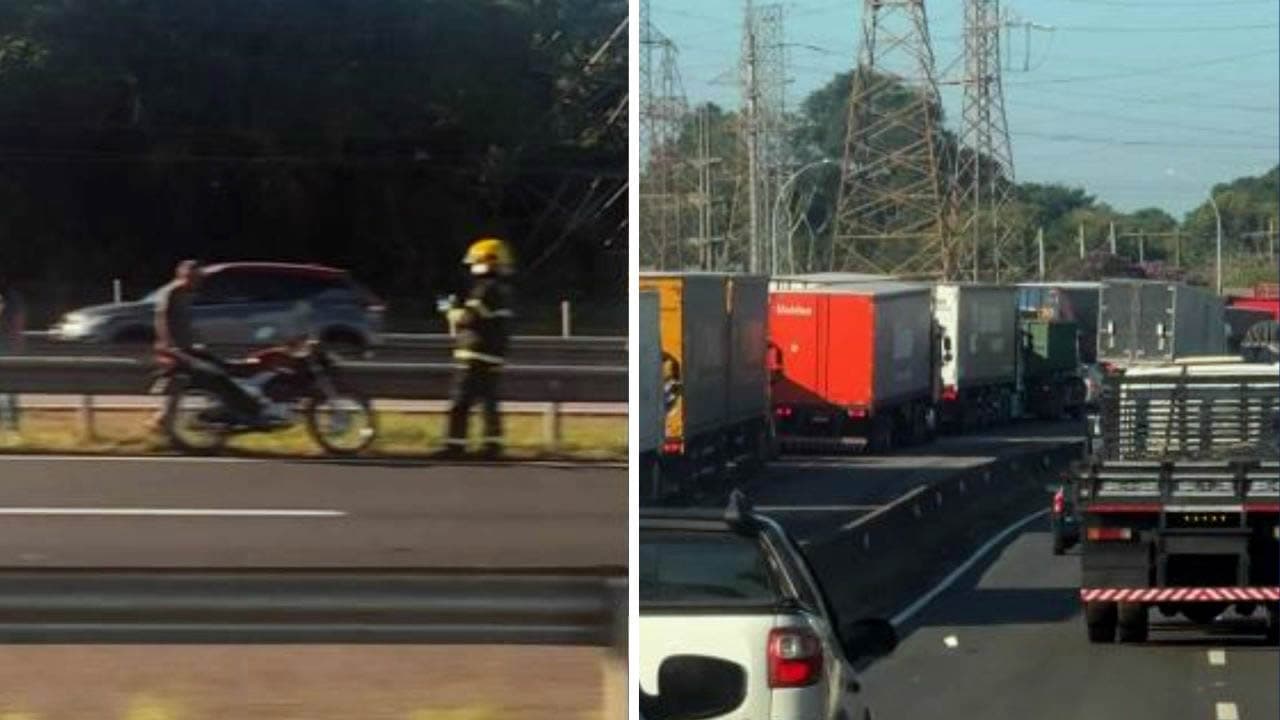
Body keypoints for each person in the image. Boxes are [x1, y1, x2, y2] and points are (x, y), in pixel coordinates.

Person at [151, 260, 263, 430]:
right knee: (217, 376)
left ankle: (238, 408)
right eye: (194, 278)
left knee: (225, 367)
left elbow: (184, 324)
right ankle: (251, 411)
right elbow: (162, 321)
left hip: (187, 349)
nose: (198, 282)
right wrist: (172, 348)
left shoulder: (185, 293)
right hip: (177, 352)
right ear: (183, 276)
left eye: (199, 278)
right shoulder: (172, 293)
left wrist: (196, 344)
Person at [434, 237, 515, 460]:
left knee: (460, 403)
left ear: (486, 261)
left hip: (474, 355)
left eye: (474, 262)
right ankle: (492, 446)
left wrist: (447, 309)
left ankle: (454, 446)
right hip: (494, 356)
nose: (471, 267)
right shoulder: (503, 291)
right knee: (489, 403)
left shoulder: (484, 290)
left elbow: (466, 319)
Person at [0, 278, 26, 441]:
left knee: (7, 390)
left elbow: (17, 322)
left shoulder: (9, 297)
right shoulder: (12, 296)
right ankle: (11, 426)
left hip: (5, 346)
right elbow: (18, 323)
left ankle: (11, 426)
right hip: (8, 345)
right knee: (7, 390)